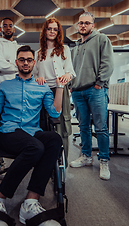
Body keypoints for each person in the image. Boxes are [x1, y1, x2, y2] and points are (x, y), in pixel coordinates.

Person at [0, 45, 69, 226]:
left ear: (34, 63)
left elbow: (54, 113)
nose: (25, 62)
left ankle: (30, 202)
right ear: (16, 62)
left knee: (54, 139)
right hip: (8, 132)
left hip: (32, 132)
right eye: (22, 59)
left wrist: (59, 87)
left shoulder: (41, 86)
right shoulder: (5, 85)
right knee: (35, 147)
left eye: (29, 59)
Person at [69, 12, 114, 180]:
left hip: (96, 90)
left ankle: (103, 160)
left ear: (93, 25)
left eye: (87, 23)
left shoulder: (102, 40)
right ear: (77, 25)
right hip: (78, 92)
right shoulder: (76, 48)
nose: (83, 25)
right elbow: (71, 70)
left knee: (101, 128)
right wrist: (71, 87)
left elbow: (108, 63)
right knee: (83, 127)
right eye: (80, 23)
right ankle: (86, 156)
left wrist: (99, 83)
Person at [33, 17, 75, 163]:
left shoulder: (64, 49)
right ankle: (46, 163)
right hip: (43, 92)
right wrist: (38, 78)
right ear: (45, 31)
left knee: (61, 124)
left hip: (60, 91)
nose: (52, 31)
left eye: (55, 29)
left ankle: (62, 163)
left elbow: (71, 71)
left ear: (58, 32)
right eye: (49, 28)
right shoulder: (38, 53)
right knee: (45, 125)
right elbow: (34, 75)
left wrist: (66, 76)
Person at [0, 17, 20, 91]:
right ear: (0, 29)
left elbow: (25, 66)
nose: (8, 28)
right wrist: (17, 67)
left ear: (14, 29)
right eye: (5, 26)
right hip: (2, 88)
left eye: (10, 26)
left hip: (18, 87)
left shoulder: (19, 47)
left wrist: (8, 63)